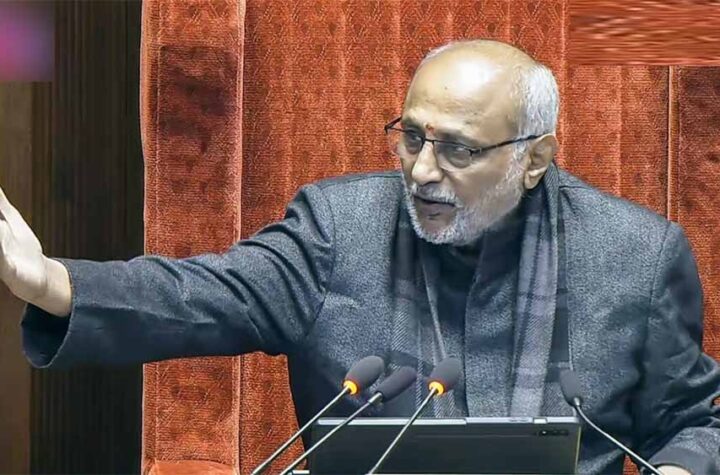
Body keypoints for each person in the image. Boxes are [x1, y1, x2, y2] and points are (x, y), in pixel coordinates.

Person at [1, 39, 718, 474]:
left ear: (535, 159)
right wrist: (50, 281)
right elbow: (202, 293)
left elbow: (696, 419)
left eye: (459, 149)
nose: (423, 171)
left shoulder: (636, 255)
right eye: (412, 136)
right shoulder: (338, 228)